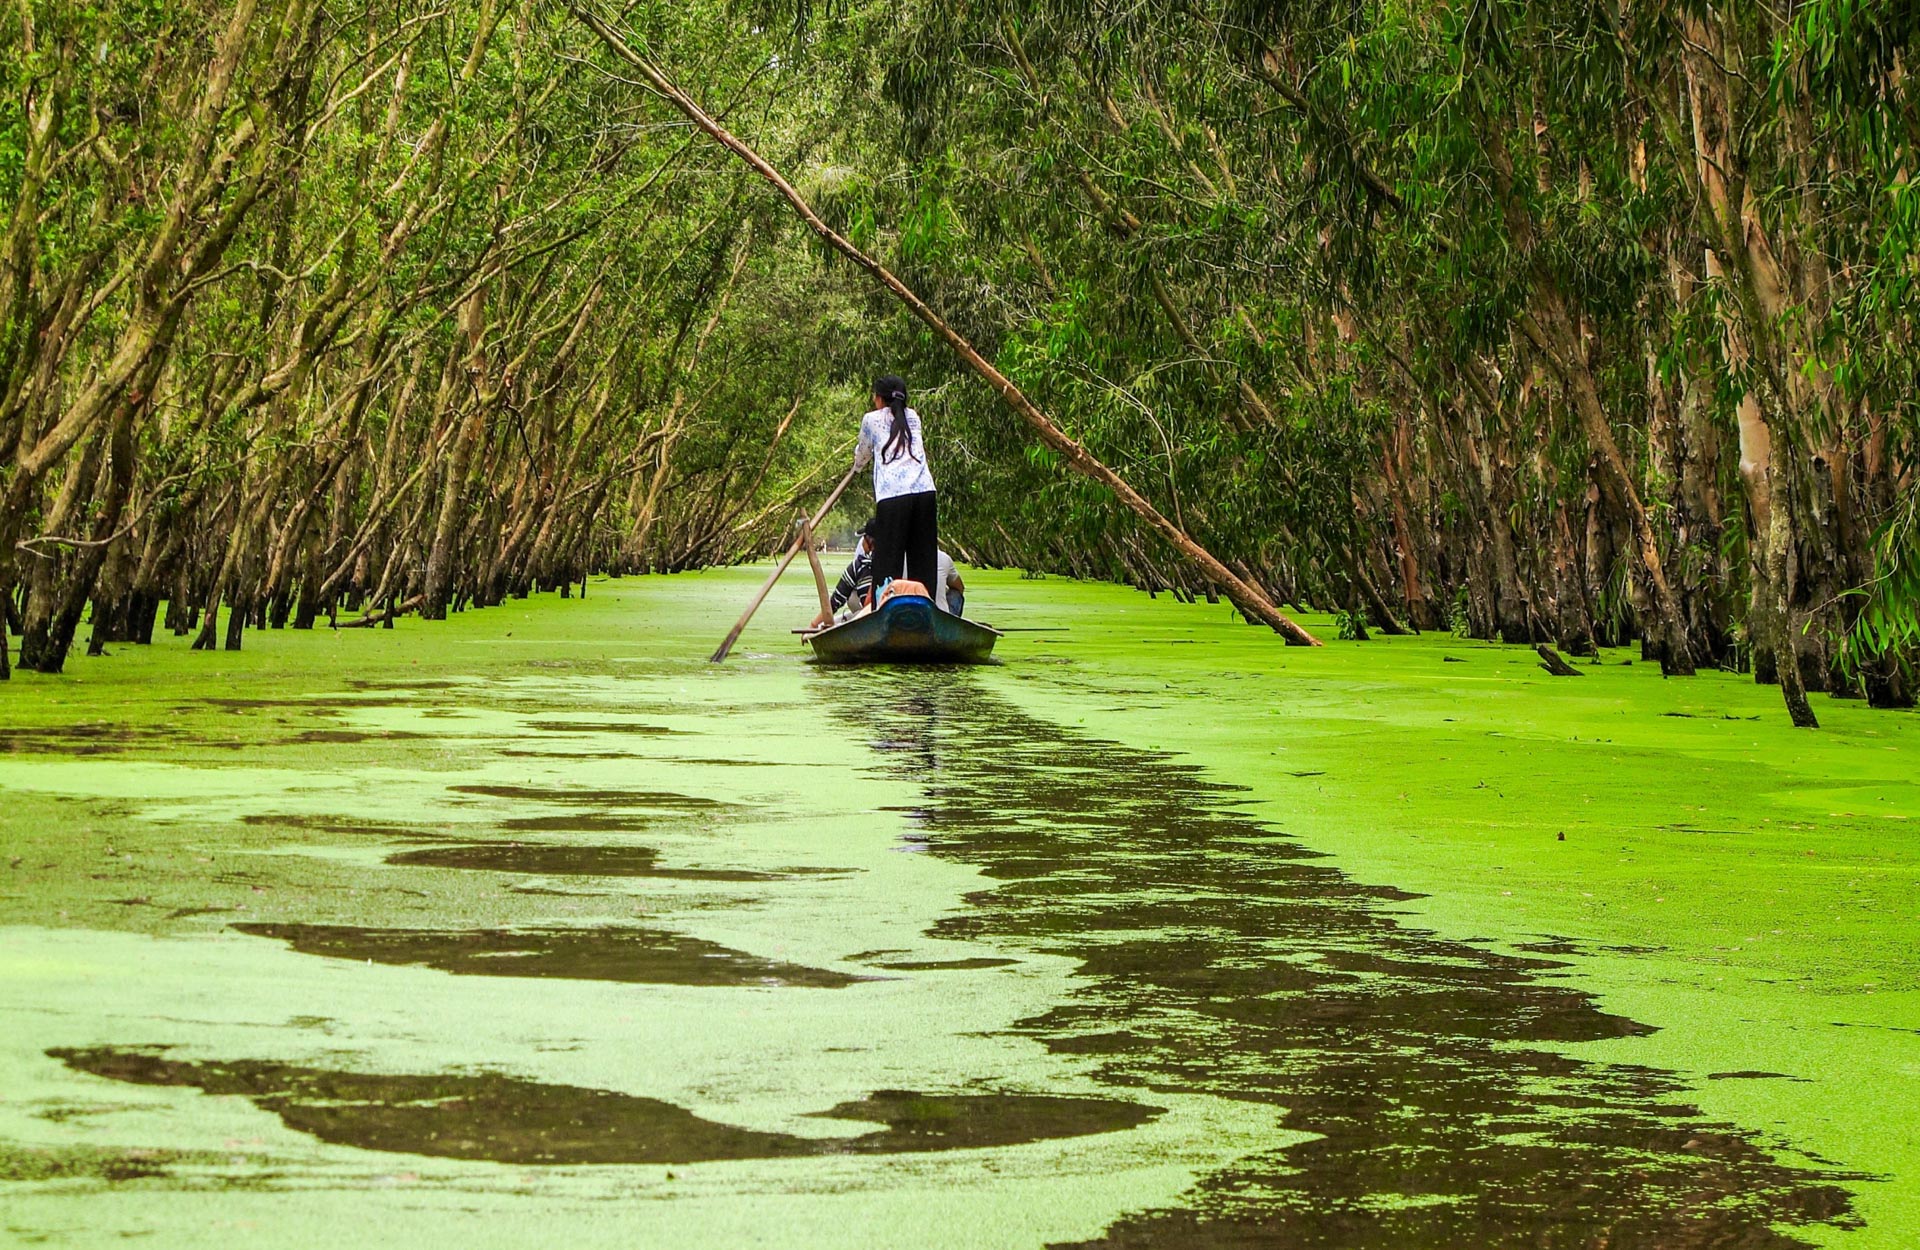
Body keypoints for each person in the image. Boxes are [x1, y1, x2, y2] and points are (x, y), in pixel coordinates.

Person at [854, 374, 936, 602]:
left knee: (887, 562)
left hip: (893, 497)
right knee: (923, 561)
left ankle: (883, 607)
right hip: (925, 493)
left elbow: (863, 454)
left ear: (879, 398)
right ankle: (924, 603)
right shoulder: (914, 417)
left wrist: (857, 466)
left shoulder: (871, 419)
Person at [812, 519, 875, 629]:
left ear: (869, 541)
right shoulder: (897, 560)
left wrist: (813, 626)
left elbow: (835, 601)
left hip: (871, 616)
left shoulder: (860, 565)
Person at [934, 548, 965, 617]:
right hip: (940, 616)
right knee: (955, 593)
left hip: (907, 611)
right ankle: (952, 621)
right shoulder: (943, 557)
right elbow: (960, 587)